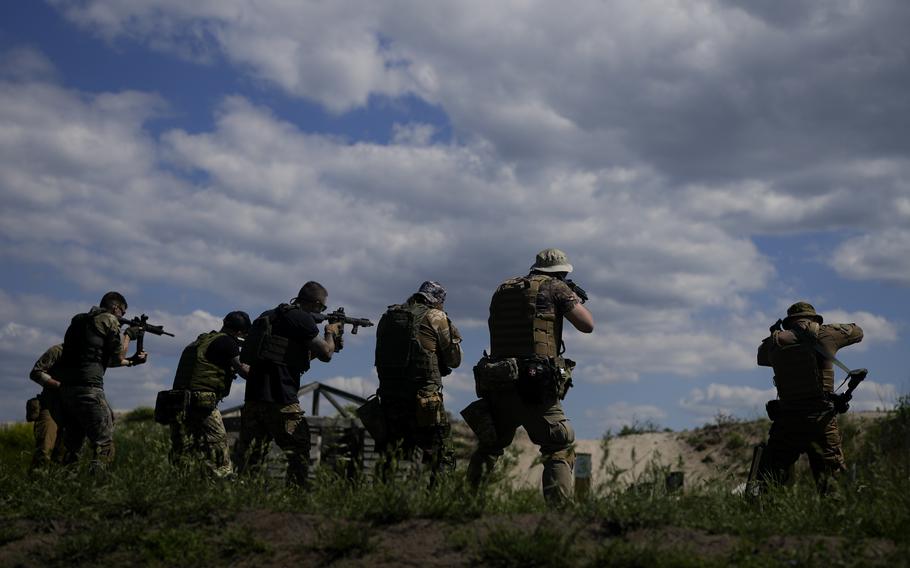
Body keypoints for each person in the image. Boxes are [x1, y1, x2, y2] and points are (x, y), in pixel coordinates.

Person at [465, 248, 594, 504]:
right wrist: (570, 298)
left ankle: (466, 506)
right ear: (560, 272)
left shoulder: (503, 289)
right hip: (535, 384)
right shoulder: (556, 288)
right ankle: (559, 515)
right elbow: (587, 325)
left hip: (498, 379)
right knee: (558, 446)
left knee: (490, 446)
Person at [233, 282, 342, 486]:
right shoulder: (301, 319)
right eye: (323, 308)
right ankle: (295, 497)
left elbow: (291, 358)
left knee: (250, 457)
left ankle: (241, 497)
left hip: (254, 397)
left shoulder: (270, 315)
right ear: (317, 303)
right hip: (281, 398)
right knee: (298, 452)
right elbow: (327, 353)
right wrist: (330, 332)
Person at [756, 301, 864, 494]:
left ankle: (761, 517)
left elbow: (761, 358)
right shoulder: (826, 334)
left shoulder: (774, 342)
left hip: (787, 421)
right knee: (832, 484)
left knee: (769, 480)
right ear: (814, 319)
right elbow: (858, 332)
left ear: (789, 322)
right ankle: (832, 520)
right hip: (821, 420)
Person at [373, 281, 463, 480]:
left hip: (390, 397)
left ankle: (380, 499)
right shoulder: (435, 316)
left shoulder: (388, 317)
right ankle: (439, 503)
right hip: (424, 400)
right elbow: (454, 361)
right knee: (441, 454)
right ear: (438, 301)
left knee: (390, 454)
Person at [58, 291, 147, 471]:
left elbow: (98, 358)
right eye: (123, 312)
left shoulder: (79, 320)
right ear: (115, 308)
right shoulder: (109, 320)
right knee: (104, 446)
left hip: (67, 391)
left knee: (73, 447)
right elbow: (116, 357)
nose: (122, 316)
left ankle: (65, 486)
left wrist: (131, 362)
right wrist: (128, 335)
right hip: (90, 390)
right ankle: (97, 490)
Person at [169, 311, 252, 478]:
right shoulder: (228, 342)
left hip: (177, 401)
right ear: (239, 332)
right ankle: (221, 486)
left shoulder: (202, 340)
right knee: (217, 447)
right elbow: (244, 371)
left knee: (183, 449)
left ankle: (179, 486)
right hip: (202, 403)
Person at [28, 344, 66, 469]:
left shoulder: (89, 352)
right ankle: (36, 485)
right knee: (44, 452)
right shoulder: (58, 350)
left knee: (63, 457)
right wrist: (59, 385)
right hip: (50, 405)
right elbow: (36, 373)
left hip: (72, 410)